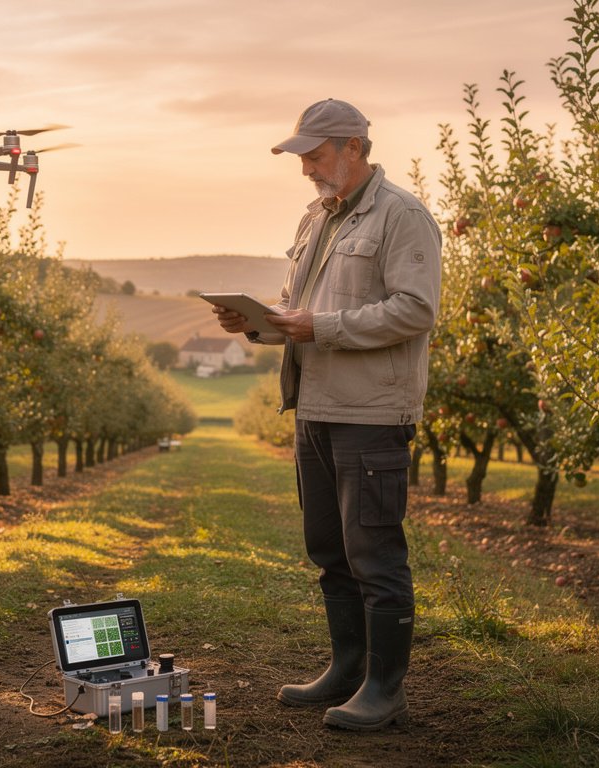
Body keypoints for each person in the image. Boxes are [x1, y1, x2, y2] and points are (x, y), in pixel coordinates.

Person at [210, 98, 441, 731]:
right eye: (303, 156)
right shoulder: (319, 217)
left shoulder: (403, 215)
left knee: (374, 552)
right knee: (329, 549)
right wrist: (260, 324)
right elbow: (300, 307)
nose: (306, 168)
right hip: (314, 405)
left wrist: (321, 325)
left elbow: (415, 310)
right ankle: (347, 670)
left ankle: (385, 689)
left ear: (354, 149)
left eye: (314, 156)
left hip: (371, 411)